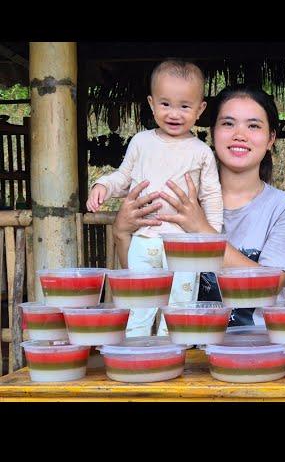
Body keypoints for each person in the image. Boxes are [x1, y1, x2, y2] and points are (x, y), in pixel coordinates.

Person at [112, 85, 285, 328]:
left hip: (253, 352)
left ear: (270, 139)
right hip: (185, 346)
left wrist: (201, 229)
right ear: (212, 132)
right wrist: (121, 233)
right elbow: (145, 284)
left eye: (254, 126)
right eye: (228, 123)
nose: (240, 134)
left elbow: (269, 286)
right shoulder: (176, 200)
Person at [87, 59, 224, 335]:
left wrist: (211, 239)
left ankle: (172, 354)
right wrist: (102, 185)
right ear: (151, 104)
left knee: (180, 307)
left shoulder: (201, 152)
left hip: (185, 246)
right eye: (165, 104)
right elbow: (123, 178)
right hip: (144, 240)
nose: (174, 113)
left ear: (200, 109)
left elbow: (211, 196)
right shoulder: (141, 142)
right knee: (139, 304)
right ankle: (137, 355)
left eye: (185, 106)